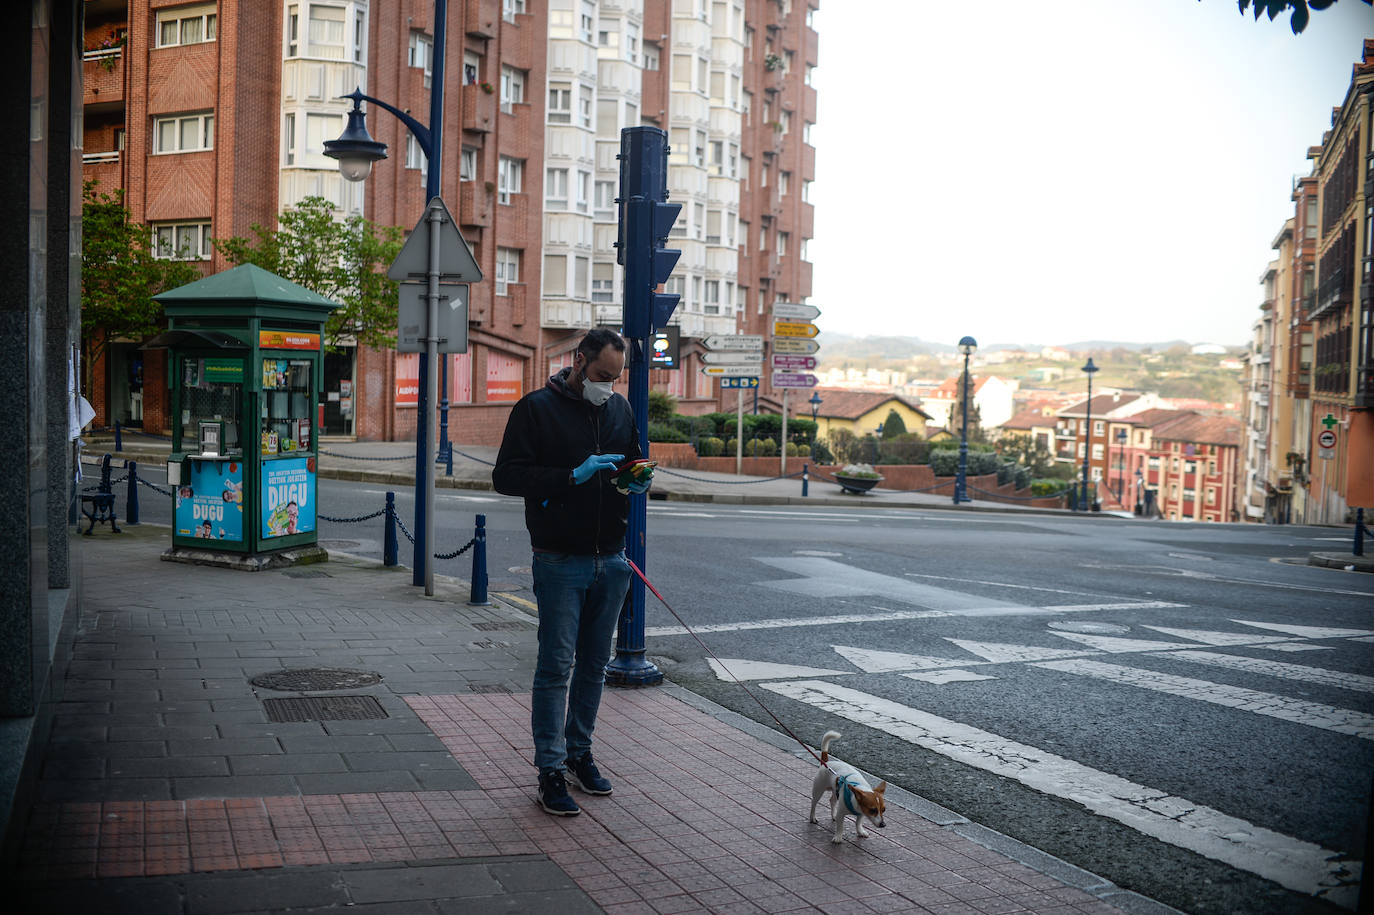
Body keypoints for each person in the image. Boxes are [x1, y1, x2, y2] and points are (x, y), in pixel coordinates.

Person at [492, 329, 653, 816]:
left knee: (592, 667)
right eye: (603, 376)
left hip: (611, 557)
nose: (609, 386)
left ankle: (580, 753)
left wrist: (638, 475)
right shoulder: (536, 408)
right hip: (560, 559)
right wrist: (570, 476)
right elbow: (506, 477)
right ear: (579, 361)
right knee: (556, 666)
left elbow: (631, 459)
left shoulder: (619, 409)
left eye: (617, 378)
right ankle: (550, 769)